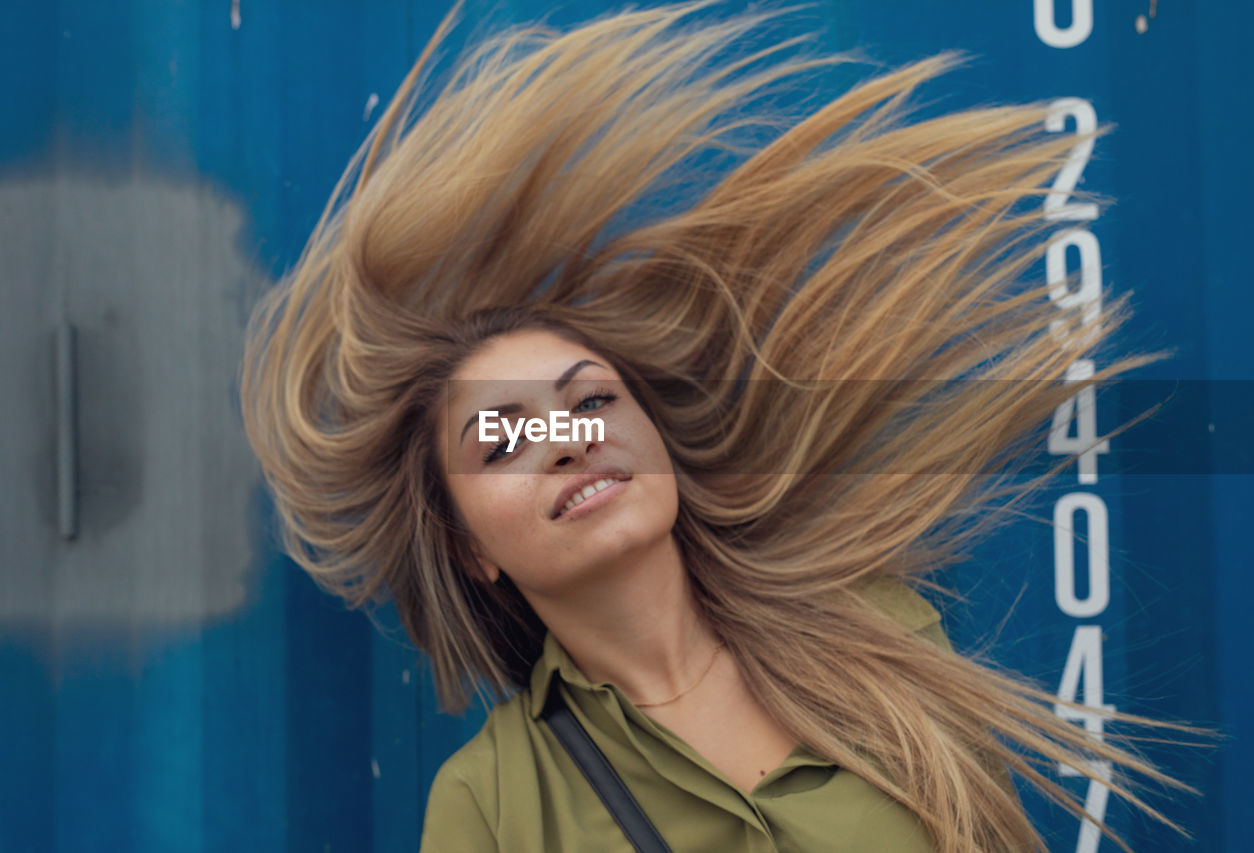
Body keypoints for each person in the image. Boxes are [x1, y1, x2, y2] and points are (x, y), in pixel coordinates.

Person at [238, 3, 1197, 851]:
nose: (567, 438)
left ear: (657, 435)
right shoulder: (488, 806)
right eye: (501, 439)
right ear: (466, 543)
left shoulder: (875, 629)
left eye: (593, 399)